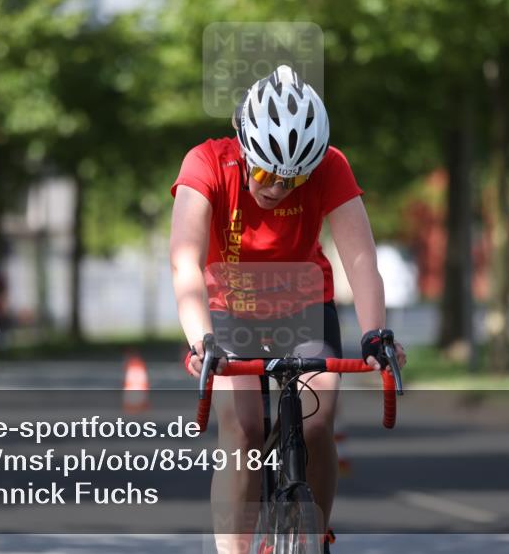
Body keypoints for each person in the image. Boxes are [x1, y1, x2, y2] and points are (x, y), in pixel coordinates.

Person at [171, 64, 407, 553]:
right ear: (242, 147)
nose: (275, 189)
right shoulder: (205, 164)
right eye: (263, 173)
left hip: (303, 303)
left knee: (319, 422)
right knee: (244, 428)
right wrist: (200, 340)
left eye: (292, 179)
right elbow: (185, 263)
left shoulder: (332, 167)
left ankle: (314, 536)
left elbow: (360, 258)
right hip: (230, 308)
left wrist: (374, 334)